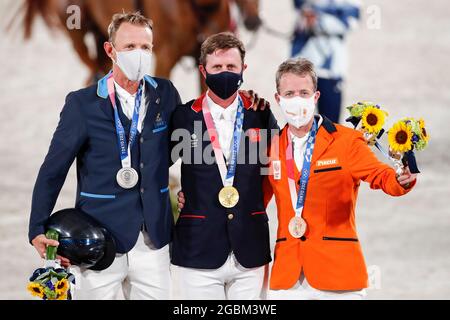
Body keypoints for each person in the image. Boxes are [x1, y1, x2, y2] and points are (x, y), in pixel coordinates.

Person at [28, 12, 182, 300]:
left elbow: (175, 150)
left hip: (154, 241)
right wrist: (37, 226)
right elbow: (53, 169)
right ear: (110, 51)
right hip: (97, 242)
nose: (139, 54)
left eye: (145, 47)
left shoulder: (167, 93)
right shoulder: (82, 104)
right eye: (129, 47)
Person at [264, 58, 417, 299]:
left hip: (339, 277)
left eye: (303, 92)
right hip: (289, 278)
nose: (296, 99)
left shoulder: (345, 141)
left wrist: (400, 179)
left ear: (315, 97)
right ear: (278, 99)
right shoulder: (270, 148)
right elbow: (253, 200)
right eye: (289, 93)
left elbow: (379, 175)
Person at [170, 32, 278, 300]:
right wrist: (173, 197)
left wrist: (256, 204)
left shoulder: (260, 113)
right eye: (217, 67)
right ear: (203, 71)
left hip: (250, 246)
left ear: (244, 69)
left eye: (231, 67)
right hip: (197, 248)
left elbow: (279, 168)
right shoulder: (184, 116)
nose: (225, 73)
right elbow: (154, 167)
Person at [291, 0, 360, 123]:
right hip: (301, 64)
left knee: (330, 125)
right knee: (298, 124)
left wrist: (318, 19)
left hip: (331, 68)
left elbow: (351, 22)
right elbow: (298, 9)